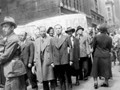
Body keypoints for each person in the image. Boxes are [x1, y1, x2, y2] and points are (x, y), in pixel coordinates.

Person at [0, 16, 26, 90]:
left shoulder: (13, 39)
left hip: (13, 70)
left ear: (12, 28)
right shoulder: (9, 38)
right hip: (12, 70)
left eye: (5, 27)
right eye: (3, 27)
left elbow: (6, 55)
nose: (3, 29)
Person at [50, 24, 73, 90]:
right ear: (54, 30)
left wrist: (71, 59)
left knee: (67, 76)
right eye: (56, 28)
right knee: (60, 77)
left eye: (59, 28)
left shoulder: (66, 37)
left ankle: (68, 88)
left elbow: (71, 49)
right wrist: (52, 61)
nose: (58, 29)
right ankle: (63, 88)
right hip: (56, 61)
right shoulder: (52, 39)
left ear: (61, 29)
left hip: (65, 60)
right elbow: (51, 51)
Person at [91, 24, 112, 89]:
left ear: (100, 30)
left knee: (96, 68)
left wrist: (94, 51)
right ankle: (106, 82)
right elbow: (109, 47)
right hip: (106, 55)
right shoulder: (109, 38)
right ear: (106, 30)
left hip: (97, 55)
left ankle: (95, 82)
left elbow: (93, 46)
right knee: (106, 69)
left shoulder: (96, 37)